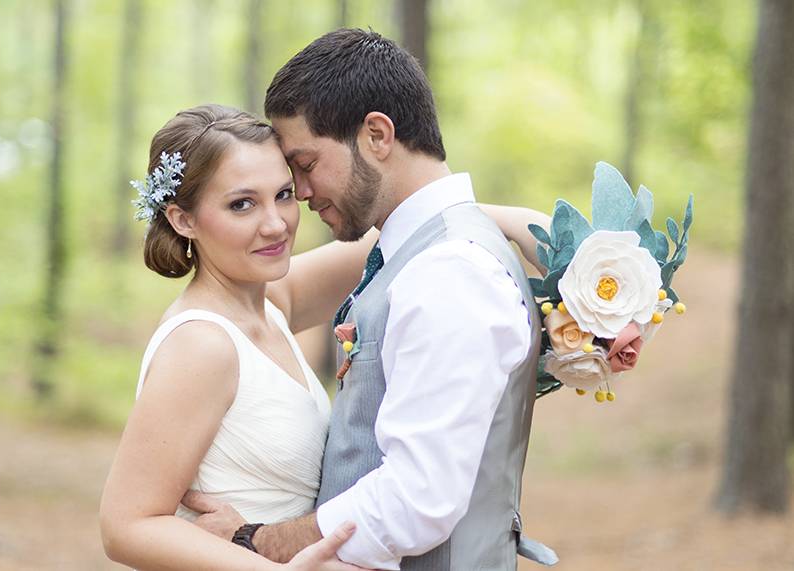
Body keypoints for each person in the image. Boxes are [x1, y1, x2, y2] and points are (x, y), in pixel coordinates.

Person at [98, 103, 549, 570]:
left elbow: (413, 227)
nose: (276, 224)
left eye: (284, 194)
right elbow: (127, 525)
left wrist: (534, 234)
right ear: (182, 219)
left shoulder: (269, 304)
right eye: (242, 204)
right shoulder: (201, 344)